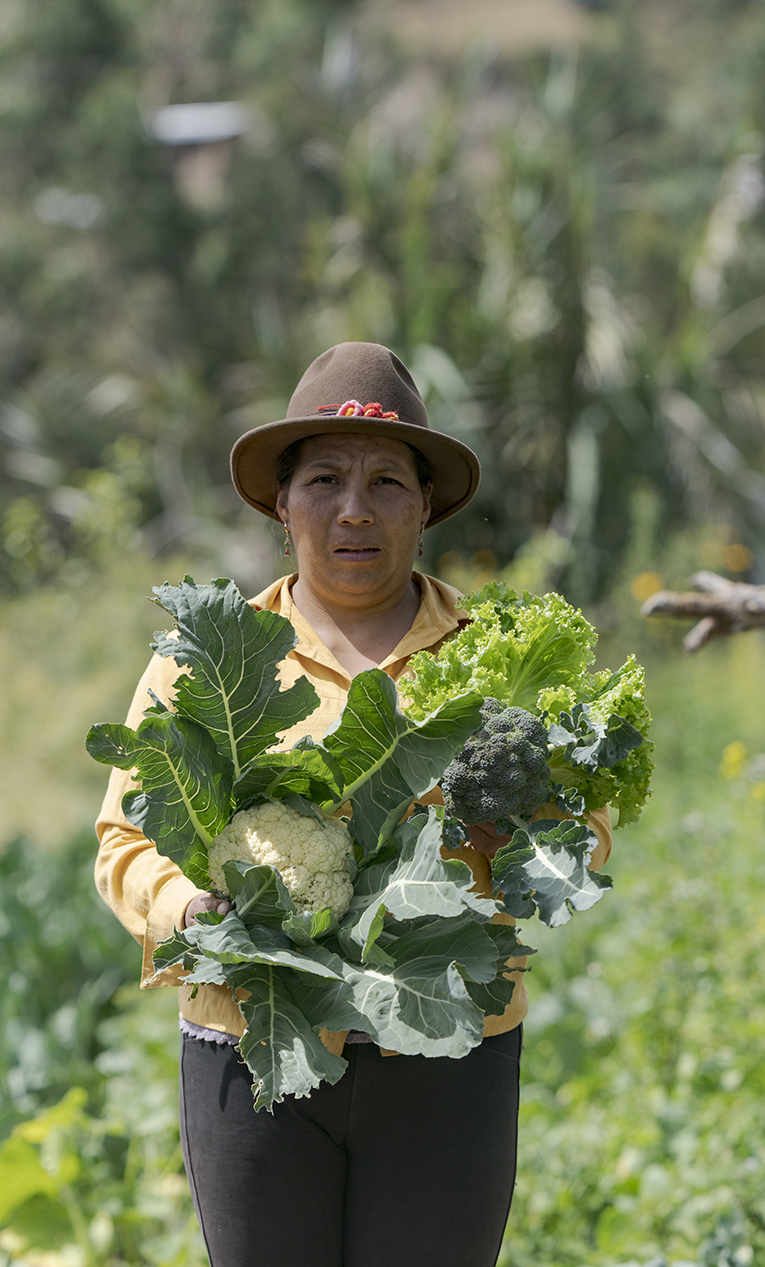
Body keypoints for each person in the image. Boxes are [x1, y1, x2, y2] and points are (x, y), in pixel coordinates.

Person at [94, 341, 613, 1267]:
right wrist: (193, 909)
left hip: (449, 1048)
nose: (354, 509)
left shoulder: (492, 656)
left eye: (387, 481)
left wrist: (514, 835)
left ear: (426, 508)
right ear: (282, 503)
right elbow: (126, 839)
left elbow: (585, 826)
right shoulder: (207, 657)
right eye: (325, 478)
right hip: (253, 1044)